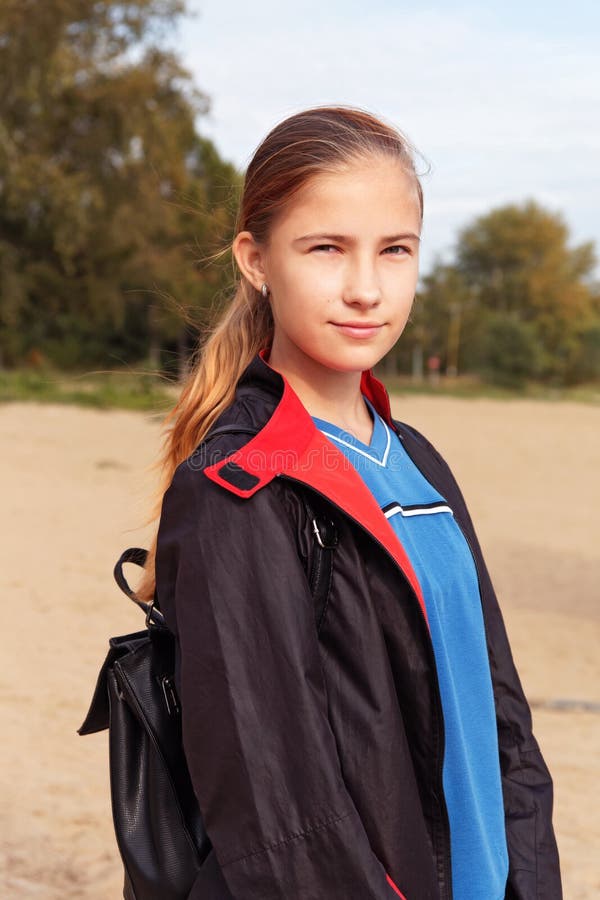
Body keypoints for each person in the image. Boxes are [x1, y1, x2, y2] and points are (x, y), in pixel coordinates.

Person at [138, 106, 562, 899]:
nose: (366, 288)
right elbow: (280, 816)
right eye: (326, 248)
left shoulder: (420, 462)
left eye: (394, 251)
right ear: (256, 260)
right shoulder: (239, 482)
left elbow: (503, 723)